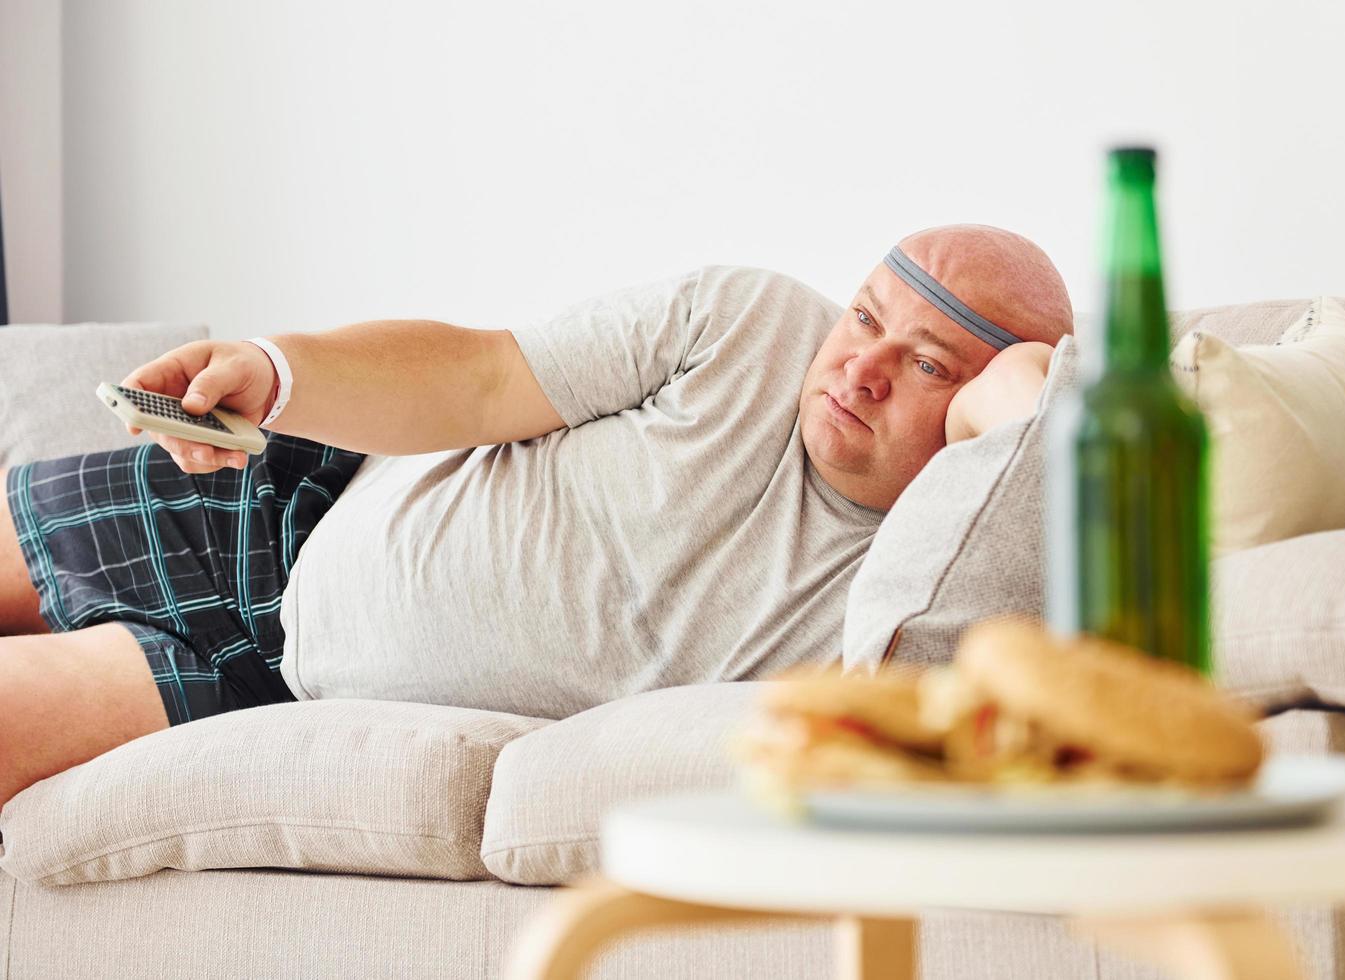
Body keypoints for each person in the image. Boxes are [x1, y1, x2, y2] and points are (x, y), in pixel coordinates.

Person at [0, 224, 1073, 807]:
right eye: (867, 317)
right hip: (281, 499)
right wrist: (278, 369)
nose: (864, 367)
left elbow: (1042, 445)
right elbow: (476, 375)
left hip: (266, 681)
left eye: (929, 362)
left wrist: (1023, 377)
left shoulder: (919, 587)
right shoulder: (745, 321)